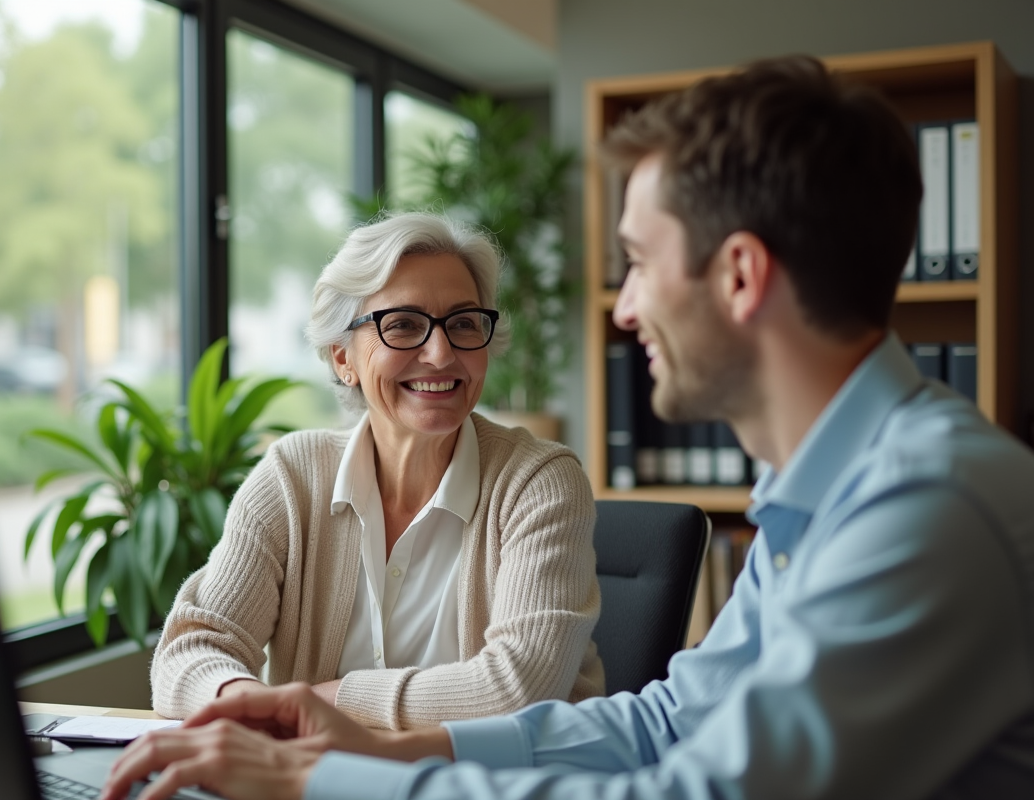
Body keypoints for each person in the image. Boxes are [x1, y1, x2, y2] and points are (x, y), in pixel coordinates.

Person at [104, 56, 1034, 800]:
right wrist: (374, 751)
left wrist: (327, 778)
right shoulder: (820, 499)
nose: (624, 308)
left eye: (637, 262)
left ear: (741, 277)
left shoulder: (927, 510)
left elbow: (705, 790)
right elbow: (667, 723)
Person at [149, 211, 604, 731]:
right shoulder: (292, 478)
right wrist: (242, 696)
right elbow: (192, 648)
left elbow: (519, 687)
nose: (440, 354)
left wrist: (323, 702)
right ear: (343, 357)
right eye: (404, 325)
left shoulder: (539, 482)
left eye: (462, 323)